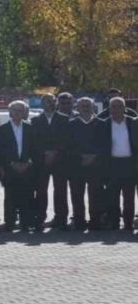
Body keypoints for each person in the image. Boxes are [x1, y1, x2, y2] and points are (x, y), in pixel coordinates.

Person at [31, 93, 70, 231]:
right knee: (41, 191)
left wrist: (54, 152)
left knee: (60, 190)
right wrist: (45, 153)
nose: (49, 103)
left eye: (51, 101)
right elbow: (34, 141)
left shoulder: (64, 119)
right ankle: (39, 218)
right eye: (46, 101)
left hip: (60, 160)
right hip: (42, 161)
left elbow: (66, 139)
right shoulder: (35, 120)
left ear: (56, 103)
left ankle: (61, 219)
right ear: (42, 104)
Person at [0, 100, 36, 232]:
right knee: (10, 197)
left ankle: (26, 223)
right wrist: (12, 163)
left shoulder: (30, 128)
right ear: (10, 112)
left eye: (20, 110)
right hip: (10, 168)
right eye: (15, 110)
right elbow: (1, 150)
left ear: (24, 113)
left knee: (27, 196)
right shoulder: (2, 129)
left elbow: (35, 148)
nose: (17, 113)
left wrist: (28, 163)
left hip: (28, 168)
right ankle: (10, 223)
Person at [100, 97, 137, 231]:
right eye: (113, 107)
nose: (116, 109)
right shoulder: (104, 124)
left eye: (119, 106)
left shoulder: (133, 123)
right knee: (112, 196)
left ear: (124, 108)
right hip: (112, 165)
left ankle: (128, 223)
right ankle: (114, 222)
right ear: (109, 109)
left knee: (129, 196)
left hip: (130, 164)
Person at [67, 97, 102, 232]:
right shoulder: (71, 125)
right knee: (77, 195)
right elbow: (67, 146)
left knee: (95, 195)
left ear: (93, 107)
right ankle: (79, 222)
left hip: (96, 166)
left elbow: (105, 143)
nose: (86, 108)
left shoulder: (101, 123)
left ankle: (95, 222)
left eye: (88, 105)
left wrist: (94, 156)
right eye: (83, 106)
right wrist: (81, 156)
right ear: (77, 108)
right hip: (76, 166)